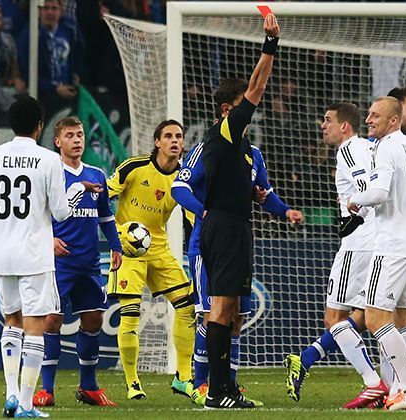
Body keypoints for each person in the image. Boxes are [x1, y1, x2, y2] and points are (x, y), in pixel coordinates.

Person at [0, 96, 95, 418]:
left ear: (11, 124)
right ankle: (27, 404)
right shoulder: (48, 160)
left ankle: (11, 395)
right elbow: (60, 211)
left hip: (1, 252)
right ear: (40, 126)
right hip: (33, 253)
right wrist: (76, 190)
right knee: (35, 326)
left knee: (11, 321)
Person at [172, 140, 302, 406]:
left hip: (239, 242)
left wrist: (285, 210)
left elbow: (265, 193)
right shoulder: (208, 148)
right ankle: (202, 384)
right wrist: (202, 211)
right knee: (211, 316)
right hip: (206, 244)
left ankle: (230, 386)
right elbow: (179, 187)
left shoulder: (253, 153)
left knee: (237, 318)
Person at [198, 13, 280, 409]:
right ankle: (214, 391)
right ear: (229, 108)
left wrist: (255, 196)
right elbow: (258, 85)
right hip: (224, 227)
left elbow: (228, 184)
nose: (252, 107)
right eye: (243, 104)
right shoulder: (227, 129)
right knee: (221, 307)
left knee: (232, 312)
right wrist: (270, 44)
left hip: (235, 224)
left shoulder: (241, 149)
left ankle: (225, 387)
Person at [284, 102, 387, 409]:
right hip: (378, 241)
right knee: (374, 316)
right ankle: (401, 387)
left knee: (334, 318)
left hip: (359, 243)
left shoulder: (348, 150)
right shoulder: (369, 147)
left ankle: (373, 383)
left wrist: (355, 214)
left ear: (345, 126)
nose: (322, 125)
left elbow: (369, 191)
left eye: (328, 120)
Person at [347, 96, 406, 411]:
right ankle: (400, 387)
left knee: (374, 318)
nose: (368, 120)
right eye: (368, 115)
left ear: (393, 121)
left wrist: (355, 199)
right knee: (404, 319)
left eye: (374, 115)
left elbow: (380, 193)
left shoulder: (385, 147)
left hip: (392, 246)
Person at [31, 117, 122, 408]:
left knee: (93, 319)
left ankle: (88, 387)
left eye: (80, 134)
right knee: (52, 319)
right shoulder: (49, 174)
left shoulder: (97, 174)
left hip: (89, 262)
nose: (77, 140)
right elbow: (35, 218)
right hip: (59, 263)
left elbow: (106, 217)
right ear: (58, 142)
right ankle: (46, 389)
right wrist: (49, 241)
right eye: (70, 135)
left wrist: (117, 246)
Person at [106, 120, 195, 400]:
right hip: (128, 249)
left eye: (179, 136)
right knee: (131, 313)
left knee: (186, 305)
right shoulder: (133, 167)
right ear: (157, 142)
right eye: (168, 136)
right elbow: (102, 198)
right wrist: (113, 236)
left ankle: (183, 376)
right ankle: (132, 382)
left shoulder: (184, 178)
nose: (174, 141)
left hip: (158, 248)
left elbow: (193, 218)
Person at [17, 0, 84, 114]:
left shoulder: (69, 31)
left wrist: (75, 74)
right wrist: (54, 88)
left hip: (67, 92)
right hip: (42, 95)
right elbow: (27, 73)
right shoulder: (28, 35)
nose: (50, 12)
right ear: (39, 11)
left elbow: (78, 54)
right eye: (46, 8)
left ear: (61, 11)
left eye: (54, 8)